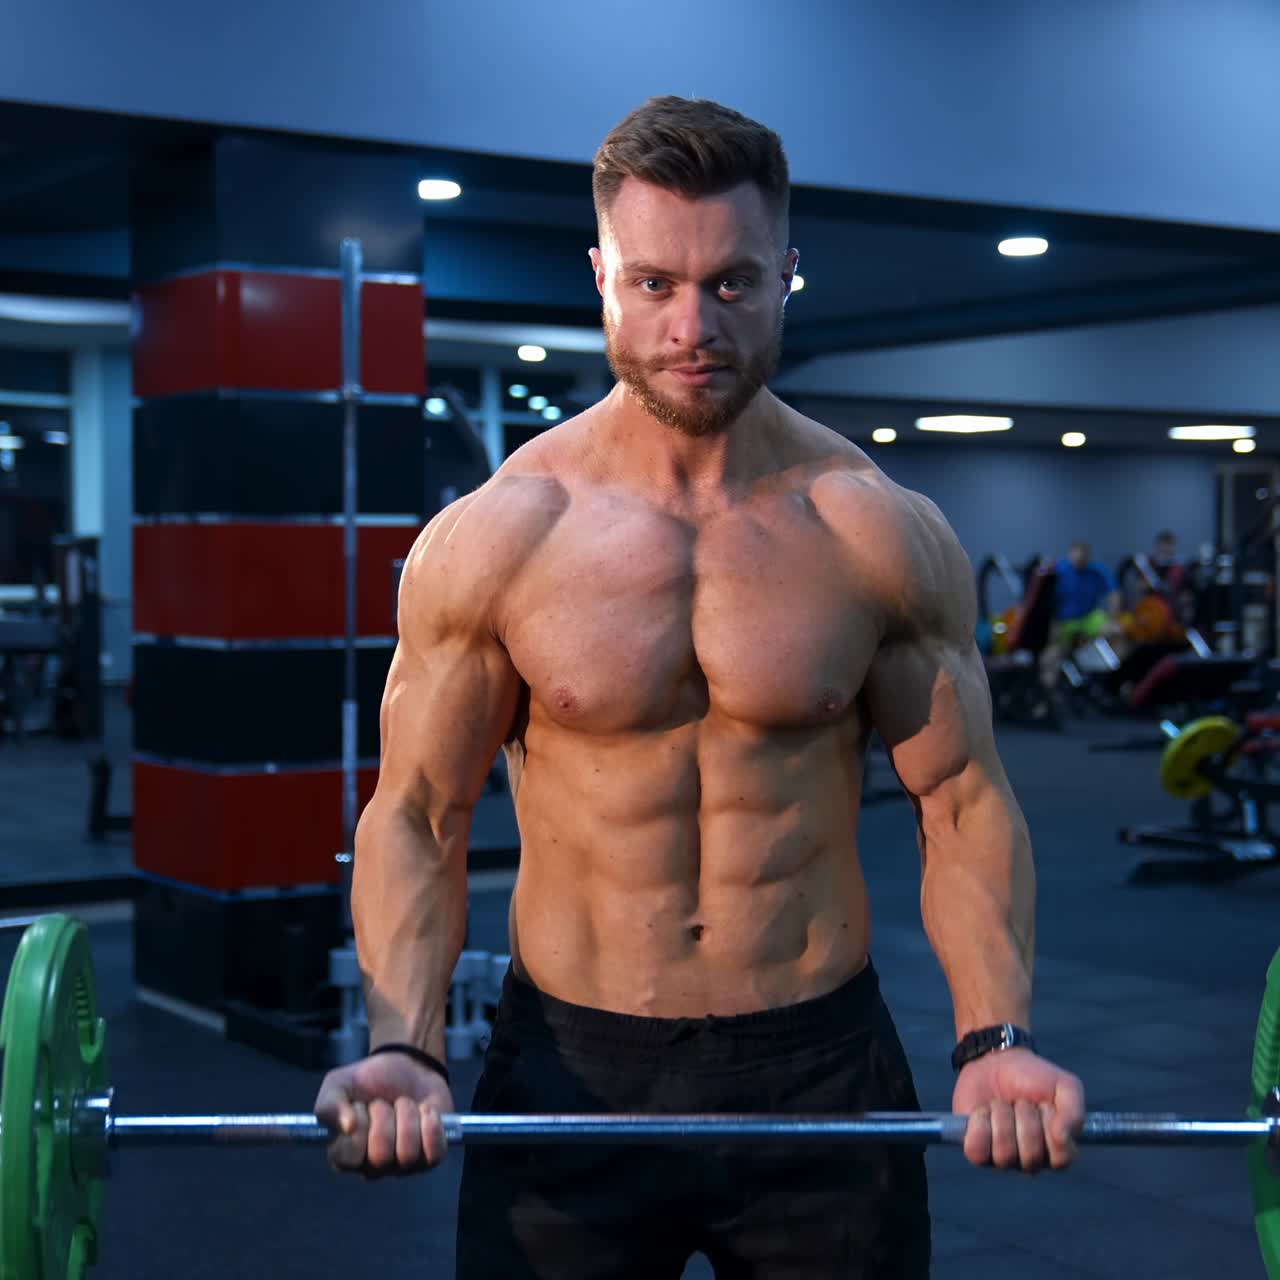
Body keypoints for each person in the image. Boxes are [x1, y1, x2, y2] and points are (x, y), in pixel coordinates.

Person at [315, 96, 1085, 1278]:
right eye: (654, 283)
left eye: (731, 282)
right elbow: (418, 812)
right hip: (568, 1067)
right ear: (600, 277)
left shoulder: (875, 530)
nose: (693, 325)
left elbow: (962, 798)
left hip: (818, 1065)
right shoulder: (501, 535)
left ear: (786, 274)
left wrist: (994, 1033)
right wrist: (405, 1043)